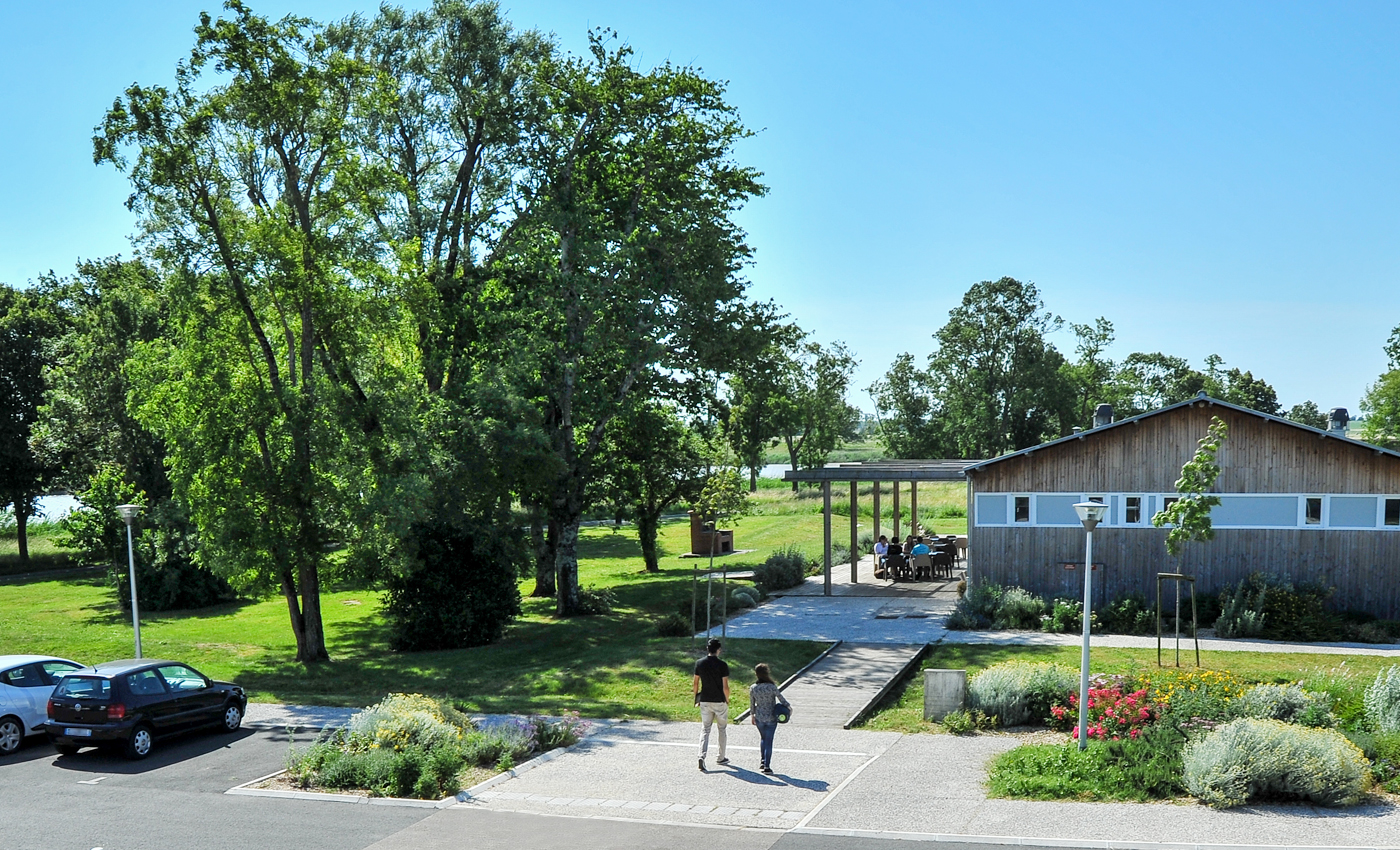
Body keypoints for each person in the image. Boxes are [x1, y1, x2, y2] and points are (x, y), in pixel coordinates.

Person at [693, 637, 730, 770]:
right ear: (718, 649)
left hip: (705, 699)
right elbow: (725, 686)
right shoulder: (722, 665)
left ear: (707, 649)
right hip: (719, 700)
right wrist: (727, 698)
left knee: (705, 729)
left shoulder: (699, 663)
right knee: (722, 729)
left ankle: (701, 756)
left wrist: (696, 698)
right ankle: (721, 757)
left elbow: (696, 683)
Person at [748, 663, 790, 775]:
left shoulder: (753, 688)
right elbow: (782, 699)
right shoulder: (771, 687)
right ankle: (767, 766)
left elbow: (752, 704)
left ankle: (762, 762)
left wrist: (752, 715)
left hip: (759, 717)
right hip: (771, 717)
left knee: (763, 739)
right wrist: (788, 707)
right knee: (769, 741)